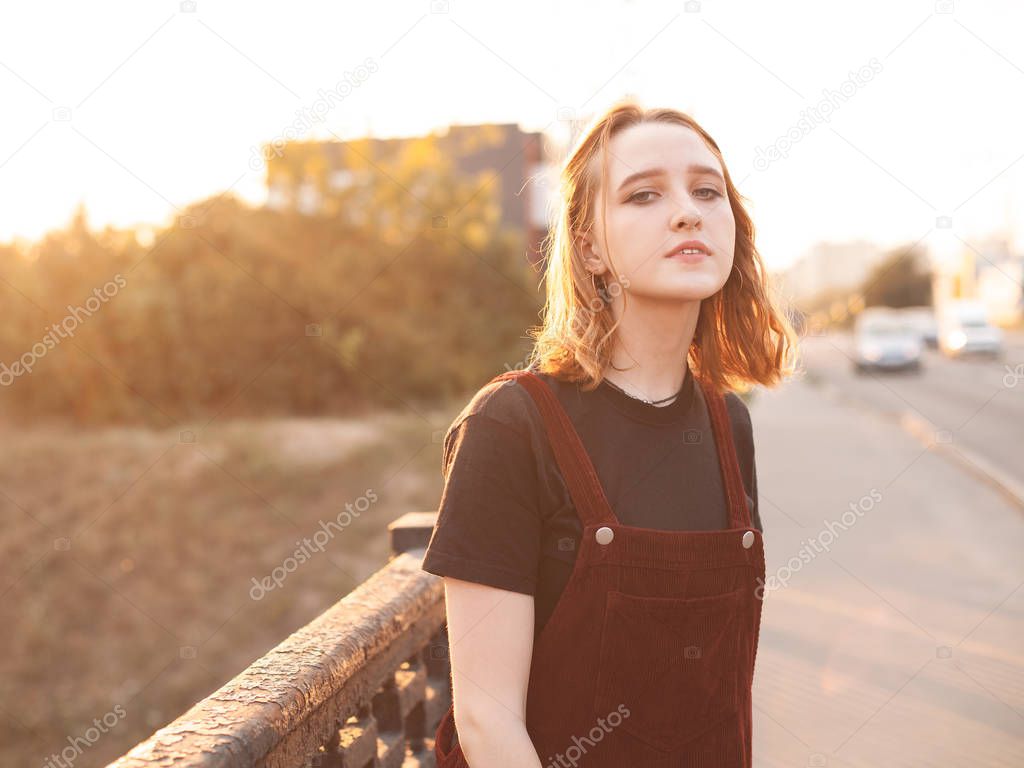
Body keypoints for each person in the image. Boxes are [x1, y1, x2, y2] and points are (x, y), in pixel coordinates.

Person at [422, 100, 799, 767]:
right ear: (590, 247)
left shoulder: (727, 423)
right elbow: (486, 721)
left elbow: (718, 697)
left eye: (707, 191)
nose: (687, 211)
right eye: (644, 194)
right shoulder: (512, 425)